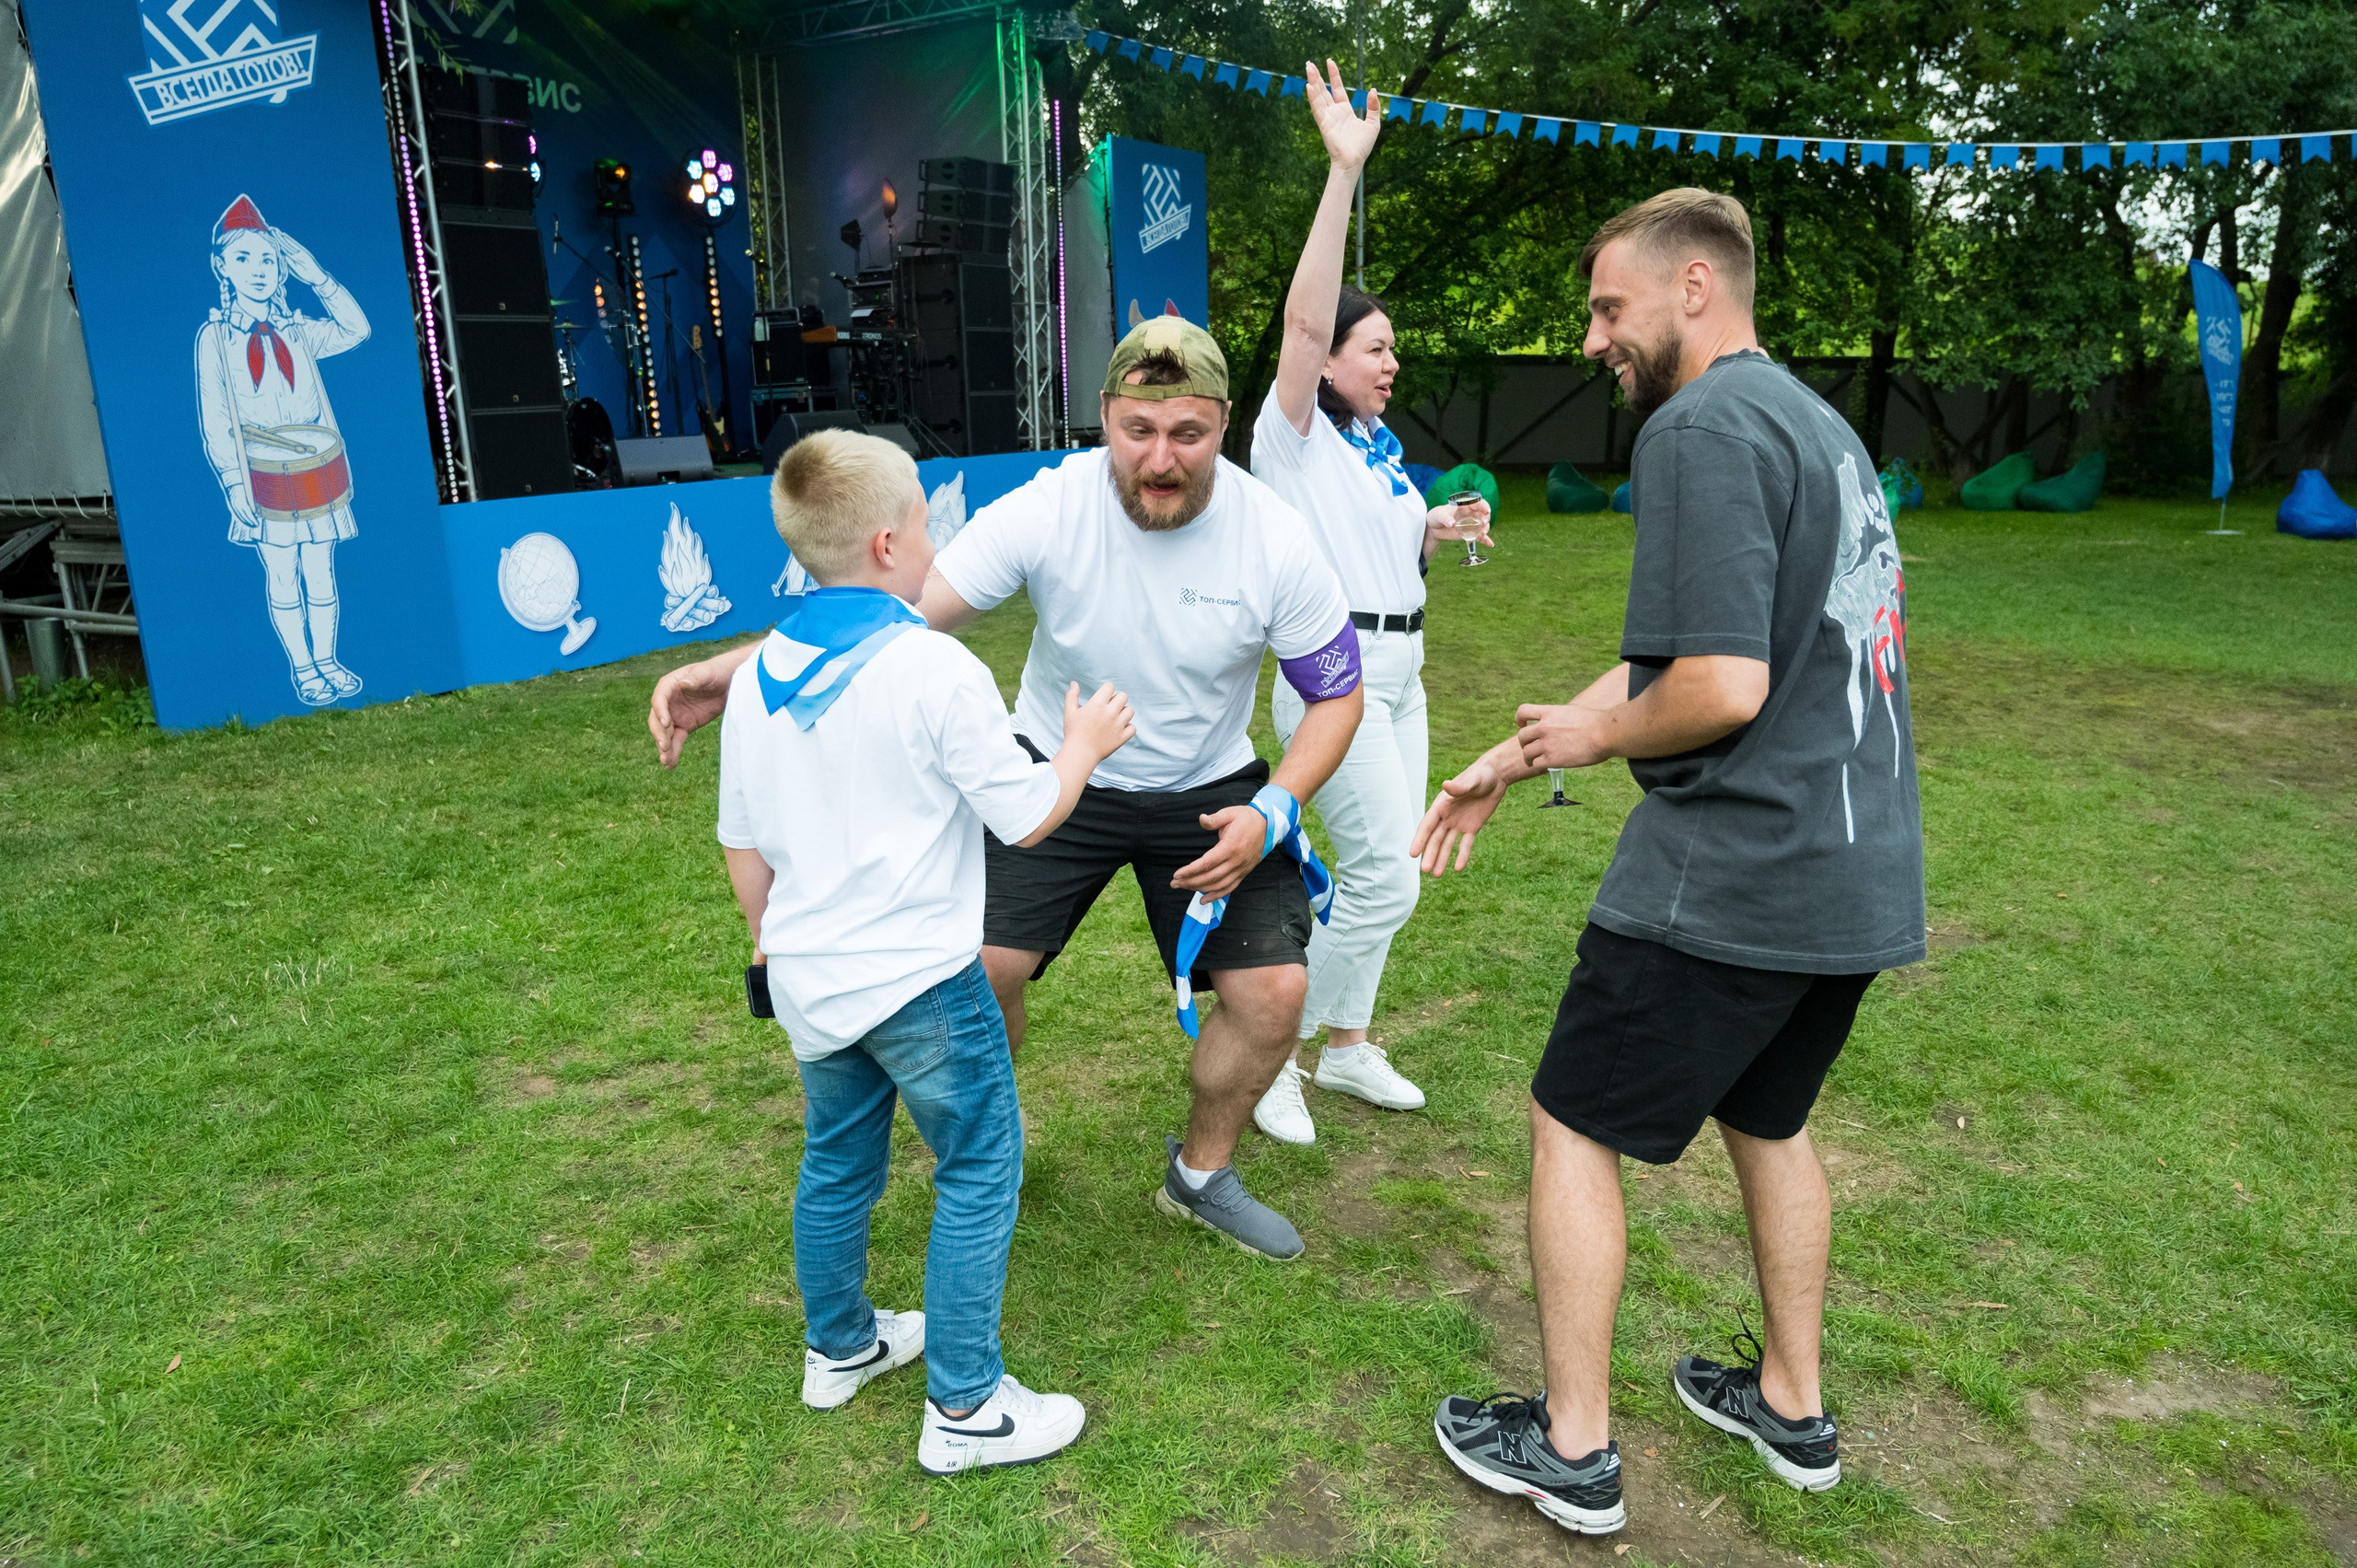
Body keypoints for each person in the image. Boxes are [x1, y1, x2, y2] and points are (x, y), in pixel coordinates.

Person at [1414, 189, 1924, 1536]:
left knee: (1572, 1122)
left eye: (1608, 308)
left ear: (1694, 286)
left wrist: (1592, 738)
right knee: (1769, 1119)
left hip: (1734, 870)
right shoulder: (1817, 427)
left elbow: (1719, 686)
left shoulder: (1698, 426)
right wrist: (1518, 753)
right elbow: (1690, 654)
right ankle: (1792, 1403)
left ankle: (1572, 1446)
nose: (1594, 339)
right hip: (1853, 874)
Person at [656, 316, 1365, 1264]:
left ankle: (1200, 1176)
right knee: (979, 972)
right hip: (1053, 766)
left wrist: (1273, 809)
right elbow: (899, 612)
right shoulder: (1053, 503)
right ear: (1104, 416)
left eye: (1187, 434)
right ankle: (993, 1135)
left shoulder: (1274, 536)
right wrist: (731, 670)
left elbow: (1336, 694)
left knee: (1274, 993)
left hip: (1210, 786)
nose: (1160, 459)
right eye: (1137, 431)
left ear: (1224, 424)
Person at [718, 429, 1135, 1473]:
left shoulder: (755, 675)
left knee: (836, 1160)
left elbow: (742, 842)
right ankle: (965, 1406)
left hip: (810, 978)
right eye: (925, 523)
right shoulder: (936, 666)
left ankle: (840, 1347)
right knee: (981, 1163)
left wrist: (769, 944)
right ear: (888, 543)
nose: (934, 542)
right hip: (920, 983)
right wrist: (1081, 748)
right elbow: (1026, 815)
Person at [1244, 63, 1492, 1146]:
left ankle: (1344, 1046)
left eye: (1392, 347)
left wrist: (1430, 530)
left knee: (1390, 869)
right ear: (1330, 359)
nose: (1393, 362)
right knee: (1388, 877)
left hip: (1402, 673)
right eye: (1376, 347)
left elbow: (1373, 553)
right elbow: (1302, 326)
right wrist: (1343, 171)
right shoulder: (1292, 434)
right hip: (1331, 674)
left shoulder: (1376, 453)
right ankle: (1270, 1052)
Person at [195, 194, 369, 708]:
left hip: (314, 469)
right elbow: (216, 421)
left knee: (321, 572)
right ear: (221, 266)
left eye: (269, 260)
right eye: (244, 258)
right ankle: (303, 668)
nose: (259, 270)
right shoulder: (214, 339)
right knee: (282, 573)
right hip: (261, 474)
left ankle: (329, 661)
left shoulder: (298, 331)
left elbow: (357, 329)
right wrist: (234, 483)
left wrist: (318, 278)